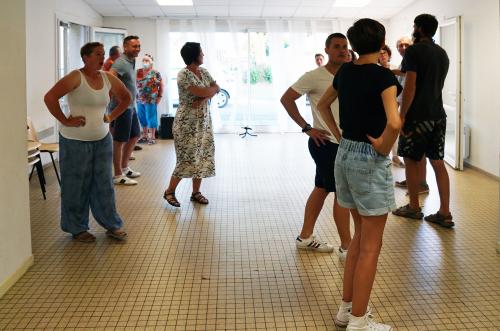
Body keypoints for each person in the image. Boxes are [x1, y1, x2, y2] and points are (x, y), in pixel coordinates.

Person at [317, 19, 401, 330]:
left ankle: (346, 309)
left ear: (352, 44)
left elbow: (324, 105)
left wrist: (340, 135)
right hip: (369, 158)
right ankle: (359, 321)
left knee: (358, 239)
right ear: (382, 43)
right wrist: (383, 147)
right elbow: (394, 123)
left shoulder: (345, 73)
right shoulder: (384, 77)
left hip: (345, 154)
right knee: (370, 245)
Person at [43, 42, 131, 242]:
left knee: (104, 185)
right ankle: (77, 228)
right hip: (75, 141)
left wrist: (111, 117)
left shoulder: (108, 78)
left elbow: (125, 98)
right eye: (98, 54)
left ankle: (112, 225)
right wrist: (65, 120)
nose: (102, 58)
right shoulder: (76, 77)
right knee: (76, 185)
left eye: (102, 54)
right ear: (85, 57)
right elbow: (50, 97)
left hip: (102, 140)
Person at [280, 33, 351, 256]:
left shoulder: (351, 74)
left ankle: (305, 236)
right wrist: (306, 127)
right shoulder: (314, 76)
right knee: (342, 193)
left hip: (345, 142)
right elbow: (286, 99)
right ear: (327, 50)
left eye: (345, 46)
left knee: (321, 188)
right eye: (337, 46)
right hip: (325, 142)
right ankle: (346, 247)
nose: (342, 50)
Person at [393, 14, 453, 228]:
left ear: (419, 28)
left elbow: (410, 86)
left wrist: (402, 115)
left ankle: (414, 207)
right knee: (437, 162)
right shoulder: (442, 53)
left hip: (418, 116)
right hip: (438, 115)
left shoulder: (414, 51)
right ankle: (445, 213)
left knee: (410, 159)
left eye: (414, 26)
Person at [163, 42, 220, 207]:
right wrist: (208, 93)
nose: (203, 55)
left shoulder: (204, 71)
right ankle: (169, 192)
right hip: (186, 124)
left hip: (203, 123)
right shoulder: (183, 74)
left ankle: (196, 193)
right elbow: (203, 90)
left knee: (202, 157)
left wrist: (204, 97)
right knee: (186, 159)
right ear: (194, 55)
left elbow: (217, 88)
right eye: (201, 52)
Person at [393, 37, 429, 194]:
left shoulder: (414, 61)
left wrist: (402, 115)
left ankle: (421, 184)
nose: (403, 47)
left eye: (406, 44)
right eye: (400, 45)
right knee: (412, 152)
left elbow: (408, 84)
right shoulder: (405, 62)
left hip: (413, 112)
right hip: (407, 109)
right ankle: (413, 180)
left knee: (416, 152)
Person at [109, 35, 142, 185]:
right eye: (134, 46)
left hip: (131, 106)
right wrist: (114, 97)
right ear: (125, 47)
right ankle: (117, 175)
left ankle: (124, 167)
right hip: (122, 107)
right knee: (119, 141)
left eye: (138, 46)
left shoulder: (131, 61)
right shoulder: (121, 62)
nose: (137, 49)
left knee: (135, 135)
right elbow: (110, 77)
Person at [136, 53, 163, 145]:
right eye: (143, 60)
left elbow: (161, 85)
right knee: (141, 117)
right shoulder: (138, 71)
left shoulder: (155, 73)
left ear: (151, 62)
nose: (144, 62)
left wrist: (159, 96)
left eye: (147, 60)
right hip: (139, 99)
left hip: (151, 99)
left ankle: (152, 136)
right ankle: (144, 135)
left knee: (151, 117)